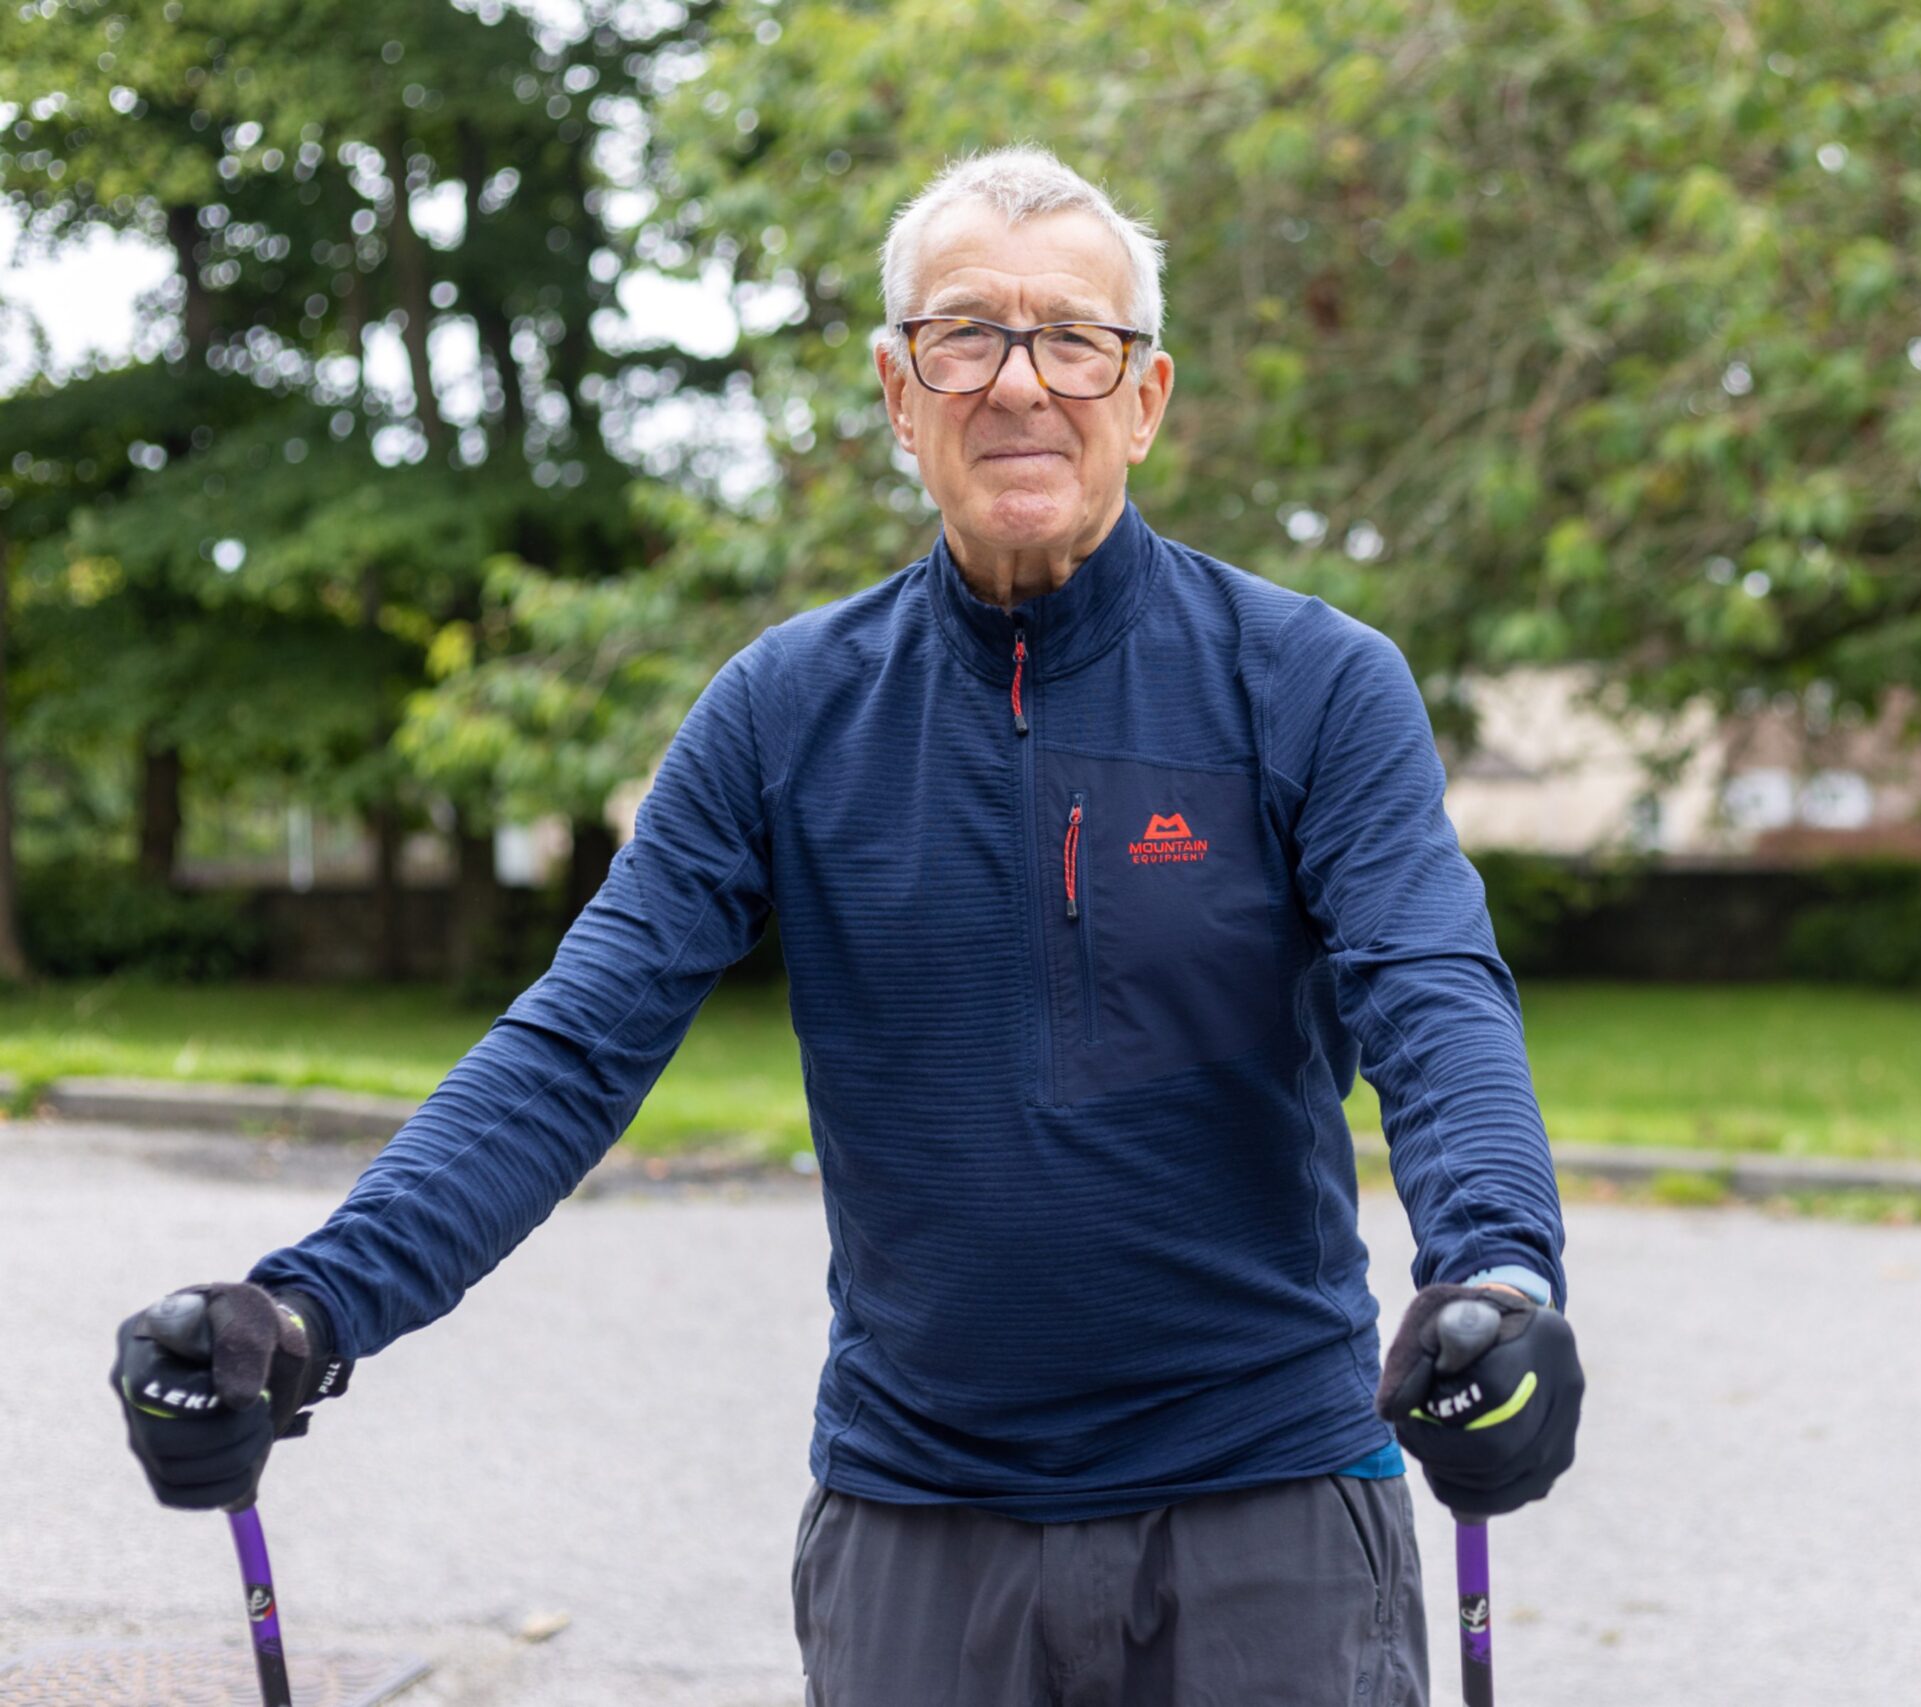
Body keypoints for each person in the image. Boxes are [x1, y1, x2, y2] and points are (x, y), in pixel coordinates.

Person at [112, 145, 1583, 1705]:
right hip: (916, 1533)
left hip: (1267, 1518)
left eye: (1075, 338)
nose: (1022, 383)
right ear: (898, 392)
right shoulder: (785, 711)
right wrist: (311, 1304)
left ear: (1144, 397)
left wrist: (1501, 1277)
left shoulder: (1311, 683)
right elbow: (574, 1047)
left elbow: (1431, 992)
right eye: (966, 335)